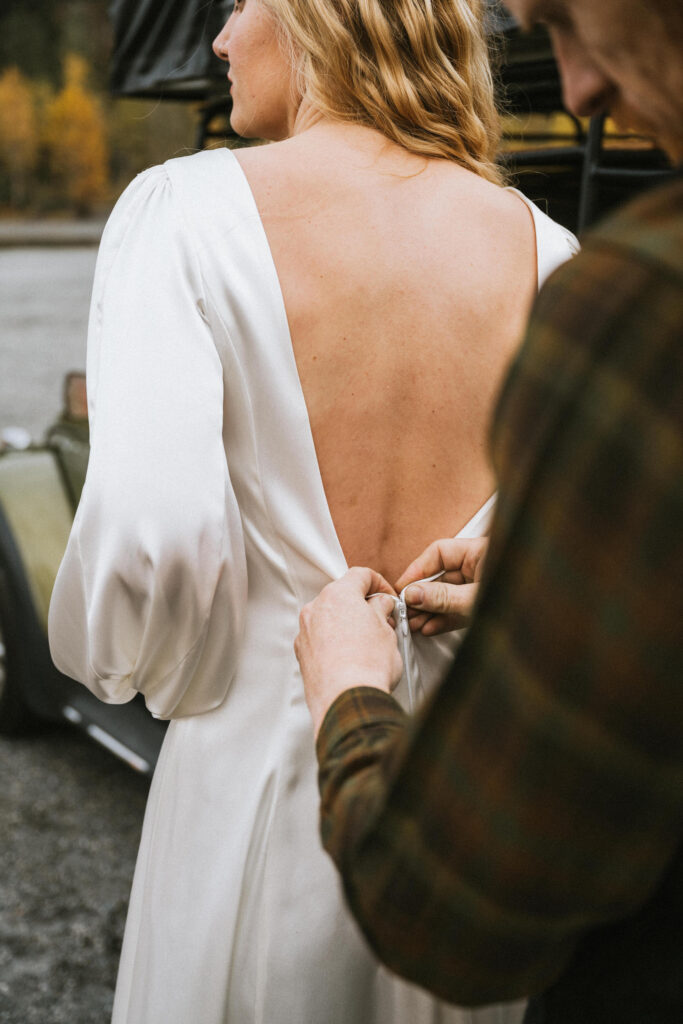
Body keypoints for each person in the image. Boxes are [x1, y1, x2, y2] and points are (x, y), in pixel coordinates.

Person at [47, 1, 576, 1022]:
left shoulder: (183, 211)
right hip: (457, 821)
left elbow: (148, 540)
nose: (217, 39)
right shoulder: (555, 258)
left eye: (238, 3)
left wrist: (201, 680)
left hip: (247, 782)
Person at [295, 0, 683, 1020]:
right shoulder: (547, 243)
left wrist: (347, 693)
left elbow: (446, 904)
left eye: (568, 23)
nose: (578, 89)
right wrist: (536, 587)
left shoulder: (640, 305)